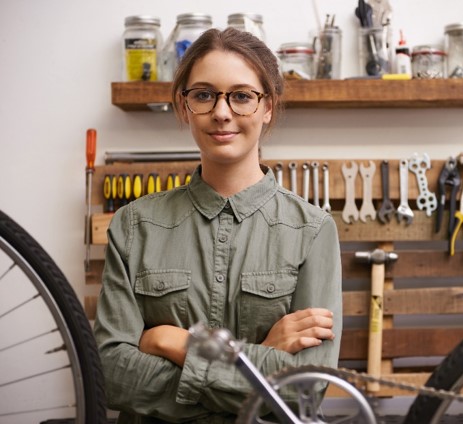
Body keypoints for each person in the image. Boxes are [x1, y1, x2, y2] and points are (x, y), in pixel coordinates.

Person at [94, 27, 342, 423]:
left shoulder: (312, 230)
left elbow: (302, 391)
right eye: (204, 95)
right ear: (183, 106)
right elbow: (111, 374)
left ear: (268, 108)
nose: (221, 112)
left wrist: (171, 341)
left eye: (242, 96)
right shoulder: (133, 226)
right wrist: (260, 356)